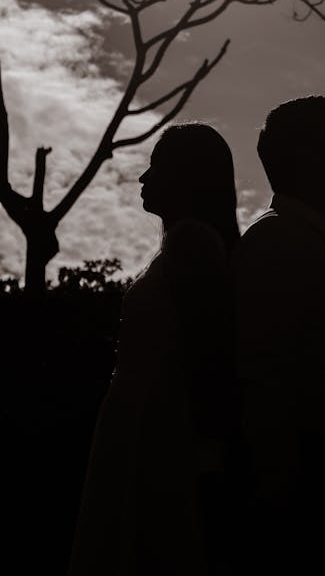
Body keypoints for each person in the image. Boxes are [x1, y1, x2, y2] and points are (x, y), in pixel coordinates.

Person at [68, 123, 240, 576]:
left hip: (163, 436)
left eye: (156, 168)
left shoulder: (194, 245)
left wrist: (205, 453)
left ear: (186, 177)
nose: (144, 179)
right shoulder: (186, 246)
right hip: (149, 427)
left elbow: (207, 352)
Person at [233, 96, 325, 573]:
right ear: (305, 157)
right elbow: (262, 376)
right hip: (309, 495)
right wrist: (279, 492)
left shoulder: (306, 241)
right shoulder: (276, 243)